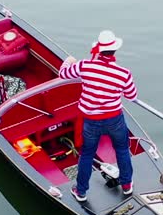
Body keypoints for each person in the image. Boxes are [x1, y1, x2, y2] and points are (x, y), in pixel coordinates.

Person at [58, 30, 137, 202]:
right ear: (115, 50)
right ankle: (126, 186)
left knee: (87, 154)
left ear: (99, 50)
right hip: (115, 119)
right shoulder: (124, 73)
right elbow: (132, 96)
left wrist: (68, 61)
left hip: (91, 121)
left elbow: (63, 74)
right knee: (122, 150)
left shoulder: (85, 66)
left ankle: (81, 191)